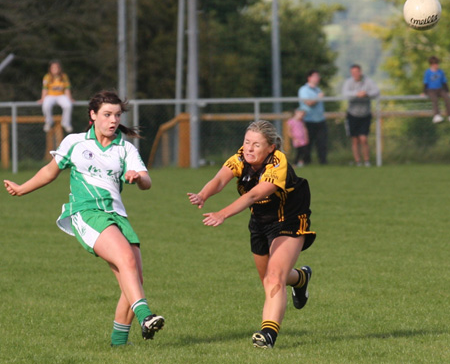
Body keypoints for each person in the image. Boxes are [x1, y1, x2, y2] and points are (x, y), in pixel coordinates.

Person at [4, 90, 164, 346]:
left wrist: (138, 177)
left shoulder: (125, 148)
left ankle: (119, 343)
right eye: (107, 114)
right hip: (85, 212)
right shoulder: (76, 142)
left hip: (116, 215)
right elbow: (49, 171)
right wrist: (22, 188)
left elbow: (147, 183)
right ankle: (145, 316)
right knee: (126, 260)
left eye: (117, 115)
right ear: (92, 115)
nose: (113, 120)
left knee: (133, 278)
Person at [187, 120, 316, 349]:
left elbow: (254, 195)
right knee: (269, 280)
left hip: (289, 219)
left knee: (274, 277)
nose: (249, 148)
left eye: (256, 144)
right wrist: (203, 194)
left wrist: (223, 214)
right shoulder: (240, 158)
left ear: (270, 148)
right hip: (259, 222)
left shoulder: (278, 162)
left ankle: (267, 335)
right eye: (247, 142)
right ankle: (301, 278)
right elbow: (219, 179)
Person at [342, 64, 380, 167]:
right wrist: (356, 94)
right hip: (352, 114)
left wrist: (366, 93)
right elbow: (345, 93)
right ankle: (358, 161)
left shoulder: (368, 81)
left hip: (365, 114)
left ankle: (367, 161)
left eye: (356, 72)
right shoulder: (348, 82)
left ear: (360, 72)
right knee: (355, 140)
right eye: (352, 73)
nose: (354, 74)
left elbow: (376, 91)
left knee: (364, 139)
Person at [298, 70, 328, 165]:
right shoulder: (304, 90)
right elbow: (309, 103)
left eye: (318, 76)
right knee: (307, 142)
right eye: (315, 76)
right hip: (308, 120)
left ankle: (323, 162)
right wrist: (318, 98)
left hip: (320, 120)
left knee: (322, 142)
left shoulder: (318, 90)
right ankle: (306, 161)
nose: (317, 78)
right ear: (309, 78)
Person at [38, 60, 74, 133]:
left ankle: (65, 123)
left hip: (61, 95)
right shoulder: (47, 77)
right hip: (50, 95)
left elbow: (67, 88)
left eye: (56, 67)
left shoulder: (64, 76)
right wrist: (42, 98)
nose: (55, 69)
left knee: (68, 105)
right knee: (46, 105)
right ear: (50, 69)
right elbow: (45, 88)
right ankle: (49, 122)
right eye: (53, 68)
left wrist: (70, 98)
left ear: (60, 68)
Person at [422, 56, 450, 123]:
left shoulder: (441, 72)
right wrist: (424, 92)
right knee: (435, 99)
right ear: (431, 65)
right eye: (435, 64)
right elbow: (425, 83)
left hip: (440, 89)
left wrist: (447, 91)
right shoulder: (428, 72)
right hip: (431, 89)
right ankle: (436, 115)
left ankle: (449, 114)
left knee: (447, 98)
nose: (436, 65)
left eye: (437, 64)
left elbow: (444, 82)